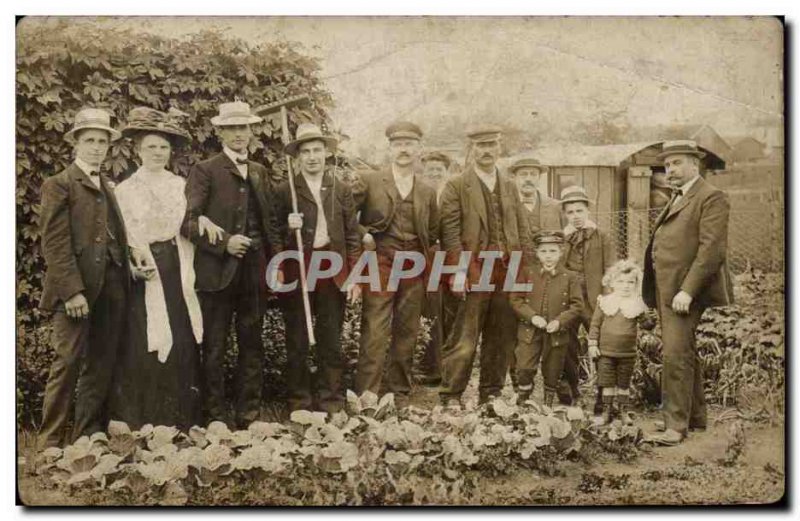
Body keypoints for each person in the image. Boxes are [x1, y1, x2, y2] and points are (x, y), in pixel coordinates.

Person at [37, 107, 132, 447]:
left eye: (101, 141)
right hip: (77, 290)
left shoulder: (107, 184)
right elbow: (55, 244)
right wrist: (72, 291)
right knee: (67, 362)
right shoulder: (59, 184)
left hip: (112, 286)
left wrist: (128, 263)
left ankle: (87, 434)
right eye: (89, 140)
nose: (95, 147)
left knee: (101, 362)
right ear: (76, 143)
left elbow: (113, 236)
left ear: (109, 146)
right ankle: (49, 441)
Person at [108, 107, 206, 430]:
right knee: (145, 333)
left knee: (180, 331)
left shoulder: (180, 185)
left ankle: (181, 417)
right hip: (145, 267)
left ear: (170, 152)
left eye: (163, 147)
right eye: (150, 147)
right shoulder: (124, 190)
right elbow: (121, 234)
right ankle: (146, 418)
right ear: (138, 151)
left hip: (176, 264)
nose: (157, 152)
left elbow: (189, 222)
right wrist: (137, 258)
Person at [182, 101, 278, 429]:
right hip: (216, 273)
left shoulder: (261, 172)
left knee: (252, 343)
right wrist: (224, 244)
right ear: (220, 132)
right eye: (232, 128)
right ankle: (215, 417)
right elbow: (188, 223)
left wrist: (275, 262)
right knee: (214, 345)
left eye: (244, 127)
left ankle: (249, 416)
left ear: (251, 131)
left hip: (255, 272)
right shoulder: (205, 170)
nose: (239, 134)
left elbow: (270, 224)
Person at [643, 140, 733, 446]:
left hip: (683, 292)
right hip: (667, 288)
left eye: (677, 163)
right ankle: (694, 418)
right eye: (667, 165)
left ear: (695, 164)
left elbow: (711, 251)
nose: (670, 169)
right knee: (684, 351)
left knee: (674, 354)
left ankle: (675, 426)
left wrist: (687, 291)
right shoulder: (679, 196)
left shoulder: (710, 196)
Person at [438, 126, 533, 408]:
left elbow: (523, 228)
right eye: (481, 146)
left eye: (491, 144)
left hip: (508, 268)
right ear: (471, 150)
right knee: (465, 335)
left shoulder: (508, 184)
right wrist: (456, 271)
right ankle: (451, 394)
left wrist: (526, 269)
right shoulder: (457, 185)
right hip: (474, 268)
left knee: (502, 336)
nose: (486, 150)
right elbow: (450, 233)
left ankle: (490, 393)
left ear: (499, 147)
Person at [273, 123, 362, 414]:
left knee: (330, 337)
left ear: (326, 153)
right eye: (306, 151)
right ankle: (299, 401)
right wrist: (289, 227)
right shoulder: (286, 190)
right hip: (298, 266)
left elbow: (352, 235)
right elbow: (273, 234)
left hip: (332, 268)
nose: (312, 157)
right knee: (297, 336)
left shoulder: (340, 188)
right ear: (297, 157)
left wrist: (355, 275)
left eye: (317, 150)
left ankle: (331, 400)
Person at [352, 121, 439, 409]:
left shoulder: (426, 190)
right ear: (390, 148)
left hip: (414, 264)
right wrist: (364, 235)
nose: (404, 150)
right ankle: (367, 394)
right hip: (380, 260)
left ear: (418, 150)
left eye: (410, 144)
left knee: (407, 329)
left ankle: (398, 393)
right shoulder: (371, 180)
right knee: (375, 326)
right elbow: (346, 217)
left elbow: (434, 230)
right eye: (398, 144)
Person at [560, 185, 617, 410]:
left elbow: (611, 269)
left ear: (588, 211)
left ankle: (603, 398)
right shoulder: (561, 238)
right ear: (565, 214)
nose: (576, 216)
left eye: (579, 211)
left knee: (601, 346)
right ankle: (570, 394)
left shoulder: (602, 236)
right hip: (570, 301)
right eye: (571, 212)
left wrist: (609, 299)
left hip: (596, 300)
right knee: (566, 346)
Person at [510, 232, 583, 407]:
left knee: (553, 370)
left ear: (561, 252)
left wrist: (559, 321)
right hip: (529, 330)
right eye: (543, 251)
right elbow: (516, 299)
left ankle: (547, 406)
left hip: (556, 332)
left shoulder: (570, 277)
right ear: (537, 253)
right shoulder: (526, 273)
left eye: (553, 251)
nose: (548, 256)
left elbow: (577, 306)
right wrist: (532, 316)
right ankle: (523, 402)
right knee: (524, 367)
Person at [587, 260, 649, 426]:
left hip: (627, 352)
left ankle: (622, 410)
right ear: (612, 282)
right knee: (607, 382)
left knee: (623, 383)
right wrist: (592, 344)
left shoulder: (637, 304)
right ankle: (607, 411)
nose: (625, 286)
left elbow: (647, 324)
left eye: (631, 282)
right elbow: (595, 324)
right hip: (605, 352)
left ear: (636, 284)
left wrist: (646, 311)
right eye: (621, 281)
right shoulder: (606, 302)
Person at [417, 151, 457, 386]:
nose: (434, 173)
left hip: (451, 257)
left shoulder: (453, 193)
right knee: (431, 307)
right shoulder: (420, 193)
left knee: (453, 308)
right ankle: (431, 368)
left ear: (446, 171)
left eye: (438, 169)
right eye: (430, 169)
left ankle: (452, 365)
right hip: (429, 257)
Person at [507, 157, 562, 241]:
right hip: (517, 254)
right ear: (514, 178)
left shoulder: (556, 206)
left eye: (533, 174)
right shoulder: (505, 206)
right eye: (523, 174)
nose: (528, 179)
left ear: (539, 178)